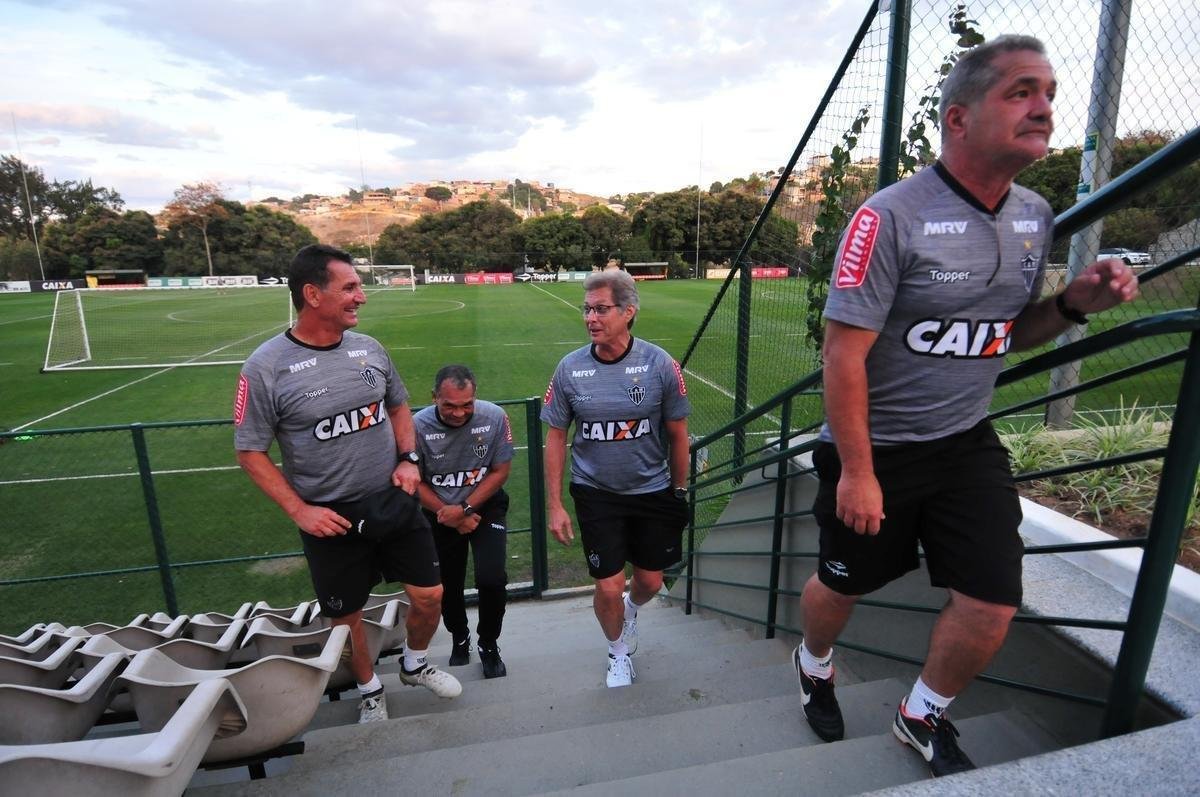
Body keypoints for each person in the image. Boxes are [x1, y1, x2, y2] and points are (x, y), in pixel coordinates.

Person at [795, 35, 1139, 776]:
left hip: (963, 442)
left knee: (991, 601)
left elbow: (1004, 336)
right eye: (1020, 92)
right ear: (958, 117)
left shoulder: (1036, 214)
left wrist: (1072, 305)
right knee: (842, 582)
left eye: (1048, 91)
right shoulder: (888, 217)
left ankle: (920, 713)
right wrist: (858, 470)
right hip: (875, 450)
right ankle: (814, 658)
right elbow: (843, 354)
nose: (1043, 107)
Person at [234, 243, 462, 724]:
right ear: (313, 294)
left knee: (430, 595)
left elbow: (399, 405)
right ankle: (370, 690)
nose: (362, 296)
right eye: (351, 287)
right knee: (347, 618)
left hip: (393, 500)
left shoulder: (369, 349)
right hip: (331, 519)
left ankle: (415, 664)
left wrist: (409, 459)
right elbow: (250, 450)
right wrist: (299, 510)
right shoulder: (266, 367)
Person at [542, 269, 691, 688]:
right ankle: (618, 652)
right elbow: (555, 439)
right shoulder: (569, 369)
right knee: (607, 586)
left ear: (628, 312)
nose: (591, 318)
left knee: (650, 582)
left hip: (653, 490)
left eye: (601, 309)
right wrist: (555, 505)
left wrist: (679, 490)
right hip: (596, 494)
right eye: (587, 309)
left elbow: (679, 434)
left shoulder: (659, 363)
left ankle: (631, 608)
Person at [413, 364, 514, 679]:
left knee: (492, 578)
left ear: (476, 397)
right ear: (434, 398)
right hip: (440, 513)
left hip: (484, 506)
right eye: (450, 406)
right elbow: (413, 482)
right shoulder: (416, 426)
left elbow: (500, 470)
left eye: (466, 405)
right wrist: (451, 515)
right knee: (448, 586)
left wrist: (466, 508)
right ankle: (460, 634)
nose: (459, 413)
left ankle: (488, 643)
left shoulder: (494, 417)